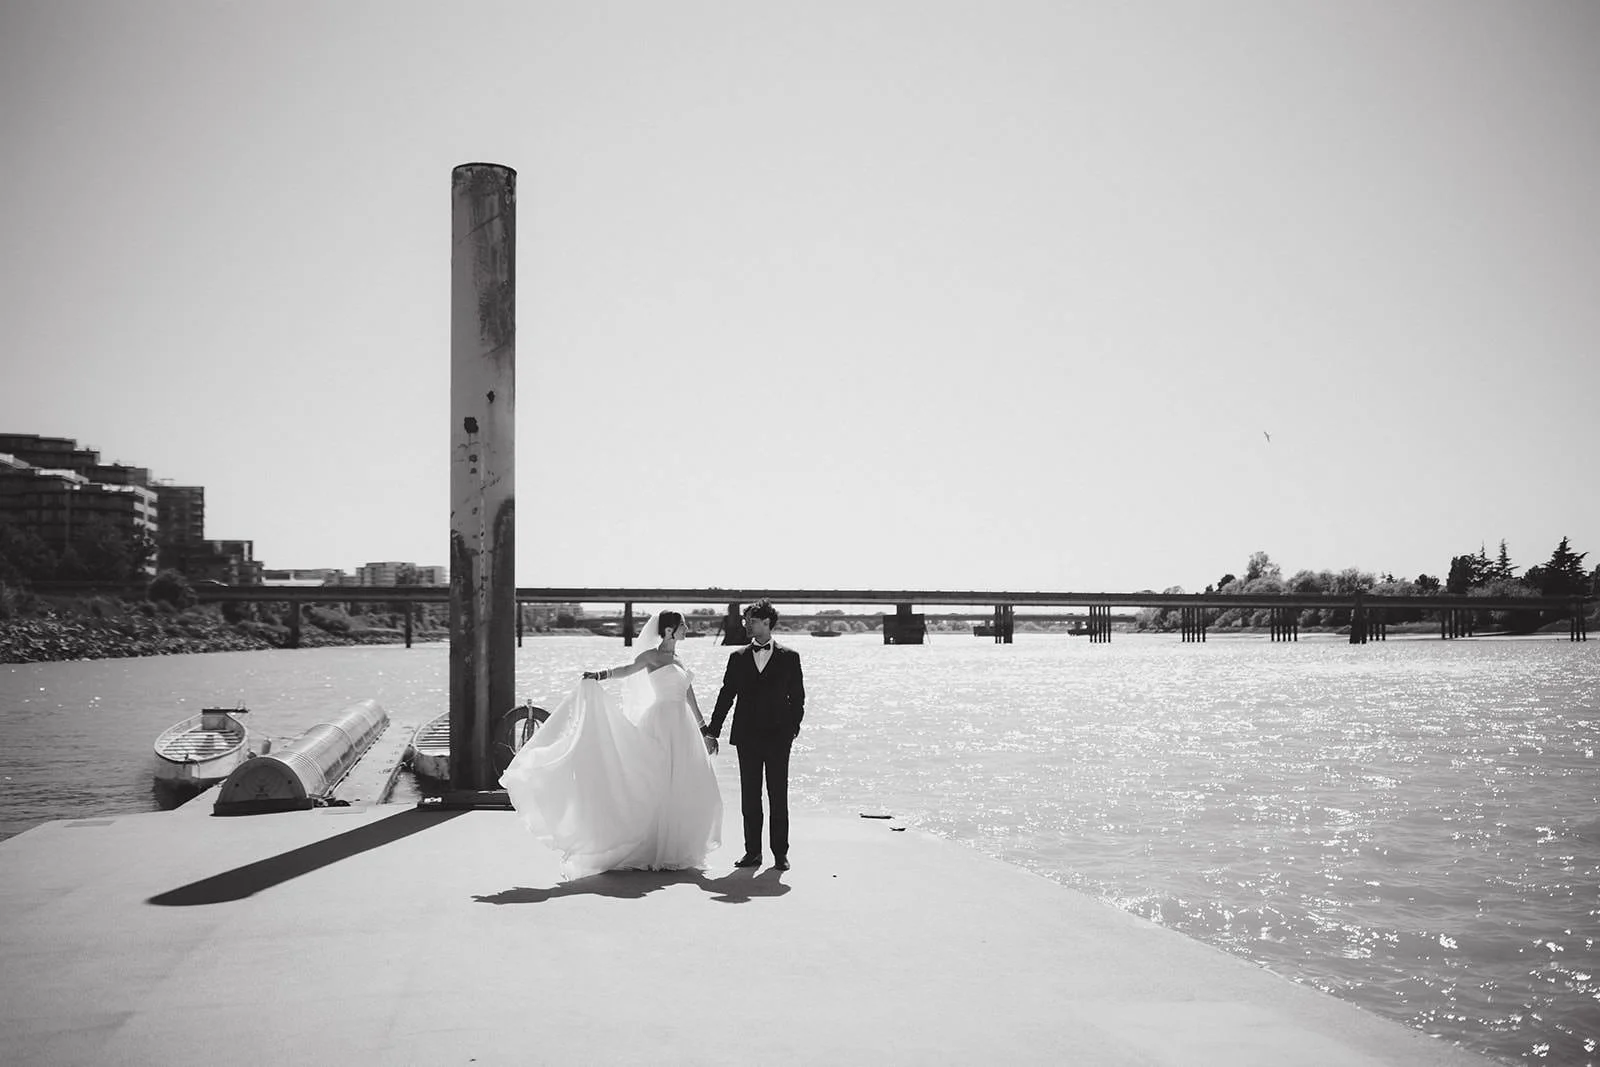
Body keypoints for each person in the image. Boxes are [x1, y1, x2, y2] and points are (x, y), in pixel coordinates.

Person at [498, 610, 722, 879]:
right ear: (670, 630)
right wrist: (600, 675)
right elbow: (627, 671)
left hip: (683, 726)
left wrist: (703, 727)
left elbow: (689, 695)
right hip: (661, 722)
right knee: (656, 779)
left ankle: (677, 847)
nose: (687, 628)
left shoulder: (680, 659)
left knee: (685, 782)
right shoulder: (651, 656)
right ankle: (651, 846)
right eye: (683, 625)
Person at [705, 598, 804, 871]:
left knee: (777, 795)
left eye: (750, 619)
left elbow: (798, 699)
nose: (745, 624)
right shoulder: (736, 658)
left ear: (766, 622)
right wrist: (713, 731)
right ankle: (752, 852)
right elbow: (726, 696)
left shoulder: (790, 657)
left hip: (778, 737)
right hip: (747, 736)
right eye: (746, 619)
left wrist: (792, 730)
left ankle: (780, 853)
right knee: (750, 796)